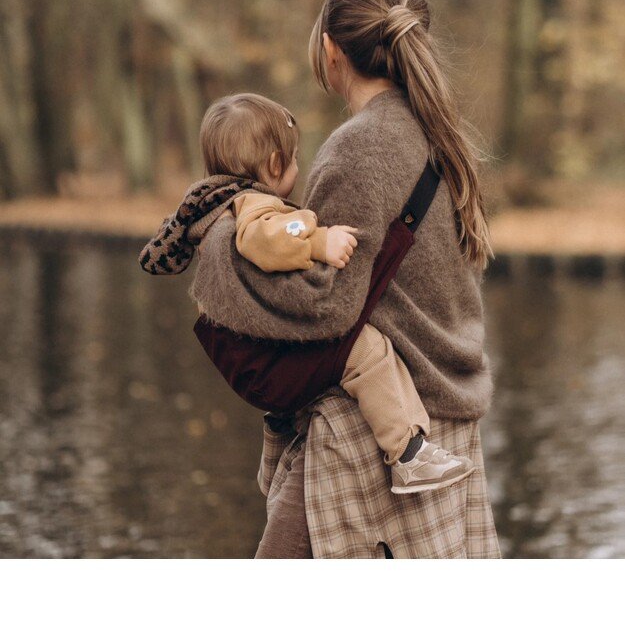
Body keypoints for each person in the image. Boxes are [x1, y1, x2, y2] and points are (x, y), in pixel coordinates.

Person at [193, 0, 501, 558]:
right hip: (438, 419)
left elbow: (325, 307)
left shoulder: (358, 147)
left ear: (332, 50)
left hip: (372, 439)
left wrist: (218, 249)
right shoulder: (434, 132)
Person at [139, 92, 476, 492]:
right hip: (263, 362)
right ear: (275, 165)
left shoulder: (225, 205)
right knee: (369, 351)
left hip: (255, 361)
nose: (299, 166)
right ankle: (406, 453)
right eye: (295, 158)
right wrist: (318, 240)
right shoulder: (252, 206)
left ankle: (277, 453)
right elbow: (264, 236)